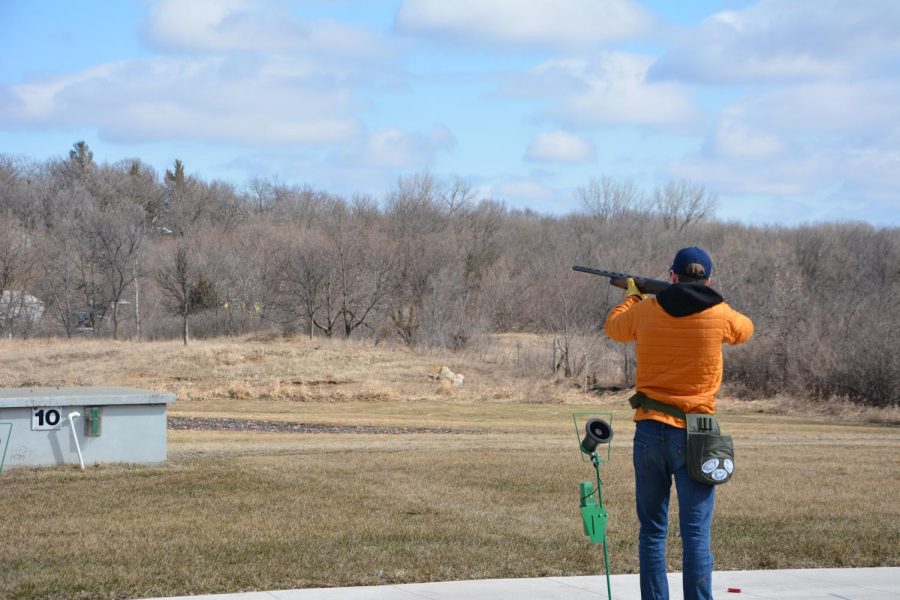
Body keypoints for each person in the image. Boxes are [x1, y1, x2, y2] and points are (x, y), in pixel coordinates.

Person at [604, 247, 753, 600]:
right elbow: (745, 330)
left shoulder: (645, 309)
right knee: (696, 534)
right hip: (698, 433)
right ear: (709, 281)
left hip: (650, 427)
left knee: (653, 532)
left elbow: (614, 328)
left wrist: (633, 296)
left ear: (671, 276)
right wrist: (713, 302)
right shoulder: (721, 313)